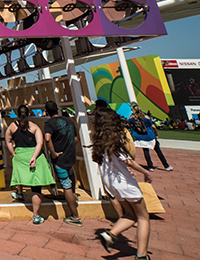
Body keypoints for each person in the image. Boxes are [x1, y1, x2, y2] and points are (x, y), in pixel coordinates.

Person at [92, 107, 153, 260]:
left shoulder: (98, 140)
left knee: (130, 214)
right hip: (123, 182)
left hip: (111, 183)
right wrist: (145, 172)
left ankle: (110, 235)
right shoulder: (115, 141)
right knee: (143, 217)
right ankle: (141, 255)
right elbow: (128, 161)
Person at [4, 104, 55, 224]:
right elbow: (39, 143)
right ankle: (36, 215)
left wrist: (13, 153)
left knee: (19, 175)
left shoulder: (12, 126)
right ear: (29, 113)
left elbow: (8, 140)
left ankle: (20, 193)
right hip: (35, 155)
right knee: (36, 186)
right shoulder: (35, 127)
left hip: (20, 155)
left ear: (17, 113)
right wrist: (34, 157)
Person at [43, 100, 81, 226]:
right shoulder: (69, 121)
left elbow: (47, 138)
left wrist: (53, 153)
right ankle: (74, 196)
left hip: (59, 158)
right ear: (58, 109)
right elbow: (75, 138)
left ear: (46, 111)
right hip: (70, 155)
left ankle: (75, 216)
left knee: (66, 186)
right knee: (71, 175)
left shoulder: (49, 123)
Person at [128, 103, 172, 171]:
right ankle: (166, 166)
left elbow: (128, 124)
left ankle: (150, 166)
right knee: (158, 150)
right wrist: (156, 133)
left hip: (140, 136)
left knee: (146, 151)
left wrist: (133, 128)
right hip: (150, 136)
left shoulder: (132, 119)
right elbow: (153, 126)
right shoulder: (146, 118)